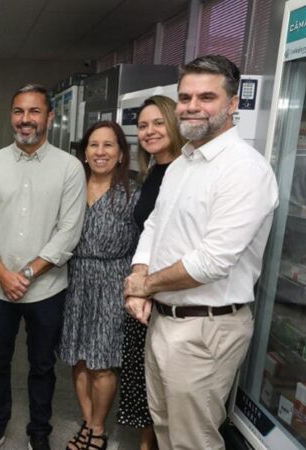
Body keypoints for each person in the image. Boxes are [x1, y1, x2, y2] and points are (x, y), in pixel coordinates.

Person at [124, 54, 279, 450]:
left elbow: (212, 261)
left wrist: (144, 285)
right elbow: (155, 226)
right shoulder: (183, 164)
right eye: (185, 97)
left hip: (206, 328)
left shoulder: (244, 169)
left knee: (193, 440)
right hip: (163, 320)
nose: (192, 106)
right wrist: (141, 277)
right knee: (164, 429)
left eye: (206, 97)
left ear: (232, 104)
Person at [0, 84, 86, 450]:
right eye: (19, 112)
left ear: (49, 117)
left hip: (47, 289)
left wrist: (27, 274)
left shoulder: (69, 168)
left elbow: (68, 231)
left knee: (42, 366)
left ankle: (39, 431)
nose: (25, 120)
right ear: (11, 116)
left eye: (34, 112)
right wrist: (3, 274)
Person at [58, 121, 140, 450]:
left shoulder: (134, 193)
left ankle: (97, 428)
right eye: (94, 145)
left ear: (121, 154)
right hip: (76, 279)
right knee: (78, 358)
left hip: (113, 280)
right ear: (85, 152)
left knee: (102, 362)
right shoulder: (72, 187)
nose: (101, 152)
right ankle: (88, 421)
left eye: (109, 145)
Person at [117, 95, 185, 450]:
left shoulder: (185, 171)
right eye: (143, 125)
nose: (149, 131)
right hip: (144, 291)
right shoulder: (154, 172)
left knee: (168, 386)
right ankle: (147, 442)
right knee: (148, 379)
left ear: (175, 123)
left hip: (172, 291)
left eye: (158, 123)